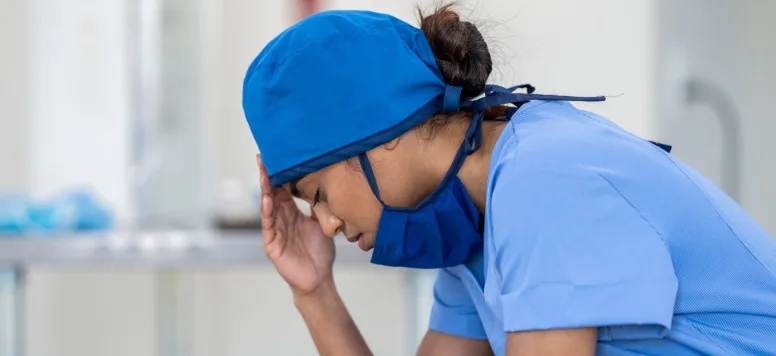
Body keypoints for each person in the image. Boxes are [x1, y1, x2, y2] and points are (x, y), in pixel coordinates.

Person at [242, 4, 776, 356]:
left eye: (318, 195)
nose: (328, 223)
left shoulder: (543, 180)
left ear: (378, 133)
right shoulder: (473, 222)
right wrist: (315, 292)